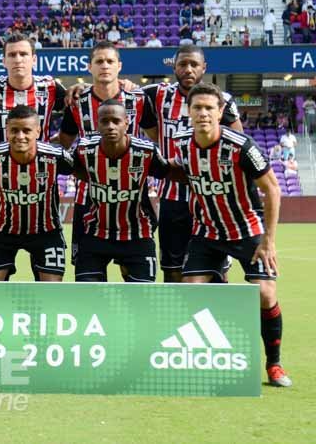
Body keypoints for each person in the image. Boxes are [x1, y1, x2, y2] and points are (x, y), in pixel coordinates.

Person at [171, 83, 292, 388]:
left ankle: (274, 365)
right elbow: (177, 170)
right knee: (191, 288)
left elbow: (272, 190)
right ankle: (212, 354)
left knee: (265, 293)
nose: (203, 113)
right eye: (197, 107)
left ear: (220, 111)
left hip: (246, 230)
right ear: (189, 111)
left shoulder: (241, 146)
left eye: (209, 108)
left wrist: (268, 241)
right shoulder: (182, 143)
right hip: (206, 231)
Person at [141, 45, 242, 282]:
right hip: (173, 198)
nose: (188, 69)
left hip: (211, 198)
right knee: (172, 268)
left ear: (204, 68)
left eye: (194, 64)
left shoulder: (222, 100)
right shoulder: (157, 94)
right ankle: (175, 317)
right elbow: (119, 92)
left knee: (217, 268)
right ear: (173, 67)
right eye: (183, 64)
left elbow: (239, 143)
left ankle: (217, 314)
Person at [58, 41, 158, 270]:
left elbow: (155, 138)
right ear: (89, 67)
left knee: (132, 271)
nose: (105, 65)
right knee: (87, 273)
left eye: (110, 61)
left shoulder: (138, 99)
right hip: (89, 197)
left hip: (132, 197)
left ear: (119, 66)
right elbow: (63, 144)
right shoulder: (76, 102)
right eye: (99, 61)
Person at [72, 100, 178, 282]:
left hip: (137, 236)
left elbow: (170, 171)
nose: (110, 126)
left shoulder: (146, 151)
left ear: (126, 123)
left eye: (116, 121)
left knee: (143, 298)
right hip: (96, 234)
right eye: (104, 121)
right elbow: (72, 169)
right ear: (97, 124)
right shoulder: (84, 150)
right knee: (87, 297)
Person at [0, 106, 74, 281]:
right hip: (2, 232)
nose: (20, 136)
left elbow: (82, 172)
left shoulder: (57, 156)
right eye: (14, 130)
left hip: (46, 232)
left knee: (53, 291)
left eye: (26, 130)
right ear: (7, 131)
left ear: (37, 131)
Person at [0, 32, 67, 144]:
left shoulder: (49, 86)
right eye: (12, 55)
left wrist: (62, 141)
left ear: (34, 60)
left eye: (23, 54)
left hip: (40, 160)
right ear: (4, 61)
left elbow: (77, 111)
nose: (18, 59)